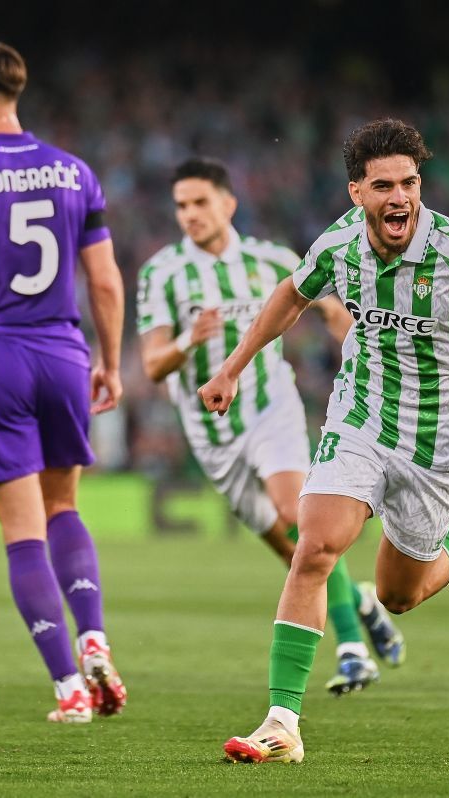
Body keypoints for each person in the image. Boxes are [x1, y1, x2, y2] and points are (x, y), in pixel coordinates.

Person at [202, 118, 449, 763]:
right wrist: (233, 367)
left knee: (398, 595)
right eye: (383, 186)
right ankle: (282, 722)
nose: (400, 197)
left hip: (439, 439)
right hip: (361, 418)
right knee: (314, 548)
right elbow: (291, 294)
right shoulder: (339, 245)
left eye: (409, 183)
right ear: (356, 192)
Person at [138, 157, 405, 696]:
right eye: (181, 206)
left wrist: (362, 352)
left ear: (228, 203)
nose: (190, 214)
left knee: (296, 515)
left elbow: (333, 311)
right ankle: (361, 602)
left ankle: (352, 653)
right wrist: (190, 340)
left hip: (270, 409)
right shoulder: (162, 273)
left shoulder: (272, 259)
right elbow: (152, 365)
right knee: (294, 551)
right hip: (213, 435)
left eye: (200, 202)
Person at [0, 40, 127, 723]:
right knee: (64, 507)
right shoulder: (74, 171)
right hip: (63, 353)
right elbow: (104, 280)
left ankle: (69, 688)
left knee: (22, 532)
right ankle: (94, 638)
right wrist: (110, 360)